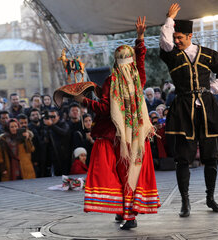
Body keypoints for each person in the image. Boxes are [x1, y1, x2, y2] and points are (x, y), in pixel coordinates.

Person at [74, 17, 160, 230]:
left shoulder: (111, 81)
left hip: (118, 138)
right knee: (133, 173)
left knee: (120, 174)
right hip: (138, 136)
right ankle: (126, 211)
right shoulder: (138, 77)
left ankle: (128, 215)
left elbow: (105, 109)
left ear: (115, 62)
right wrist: (140, 38)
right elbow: (141, 60)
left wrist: (83, 100)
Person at [159, 3, 218, 217]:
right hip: (183, 109)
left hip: (206, 108)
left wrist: (212, 89)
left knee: (211, 156)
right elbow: (164, 41)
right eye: (175, 37)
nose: (177, 41)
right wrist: (169, 19)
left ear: (190, 36)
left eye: (180, 37)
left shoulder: (208, 55)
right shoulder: (172, 55)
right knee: (183, 157)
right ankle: (185, 202)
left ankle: (210, 198)